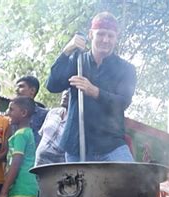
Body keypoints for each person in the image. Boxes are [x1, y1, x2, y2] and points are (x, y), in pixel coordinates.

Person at [46, 11, 136, 162]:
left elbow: (123, 103)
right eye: (101, 34)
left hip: (111, 143)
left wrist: (94, 91)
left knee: (130, 182)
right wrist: (66, 51)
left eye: (110, 35)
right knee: (79, 186)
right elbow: (52, 85)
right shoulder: (77, 60)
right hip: (77, 143)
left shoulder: (126, 69)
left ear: (116, 38)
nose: (105, 40)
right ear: (90, 34)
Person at [35, 90, 69, 165]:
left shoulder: (77, 120)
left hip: (58, 167)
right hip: (39, 163)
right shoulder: (52, 112)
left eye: (70, 91)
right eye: (65, 89)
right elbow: (41, 135)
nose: (66, 93)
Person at [15, 76, 48, 147]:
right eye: (16, 87)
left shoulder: (44, 115)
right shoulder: (11, 112)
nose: (16, 90)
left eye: (21, 86)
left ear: (32, 90)